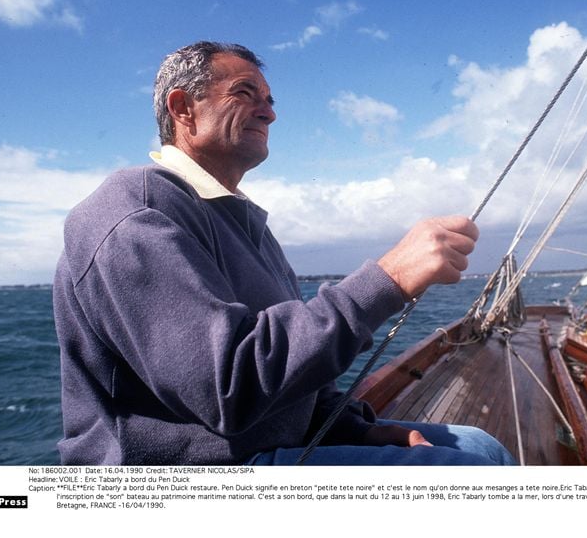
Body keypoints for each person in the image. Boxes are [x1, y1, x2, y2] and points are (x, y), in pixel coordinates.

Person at [53, 41, 515, 466]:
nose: (269, 113)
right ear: (182, 108)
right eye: (245, 93)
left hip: (273, 447)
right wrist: (390, 277)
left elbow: (301, 389)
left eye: (270, 101)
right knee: (468, 472)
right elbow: (225, 387)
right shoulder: (135, 209)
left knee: (481, 444)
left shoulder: (247, 225)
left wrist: (359, 430)